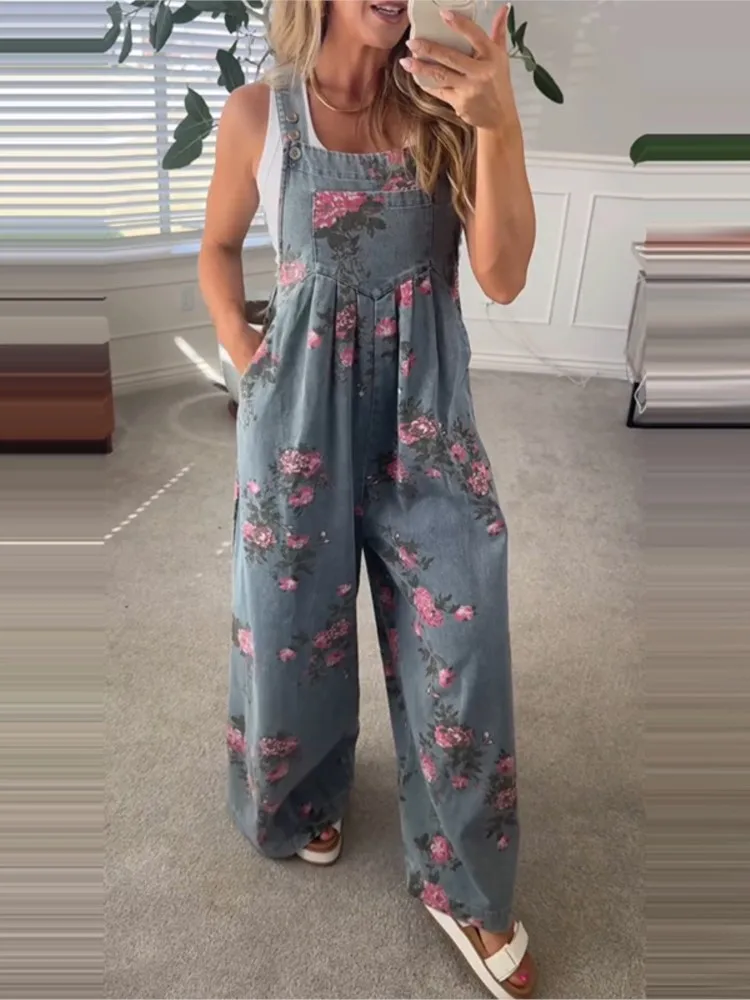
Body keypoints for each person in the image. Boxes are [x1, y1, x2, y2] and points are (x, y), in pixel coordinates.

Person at [199, 1, 536, 996]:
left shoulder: (448, 109)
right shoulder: (260, 117)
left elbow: (503, 277)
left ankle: (464, 881)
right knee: (291, 627)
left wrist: (499, 122)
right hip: (296, 425)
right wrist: (246, 352)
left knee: (463, 629)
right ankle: (302, 792)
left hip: (425, 423)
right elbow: (218, 249)